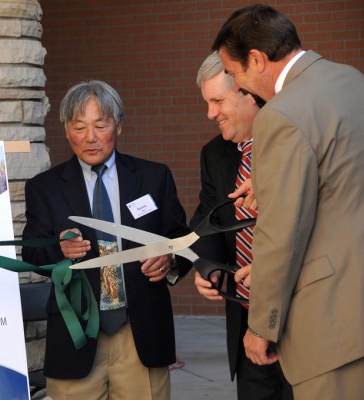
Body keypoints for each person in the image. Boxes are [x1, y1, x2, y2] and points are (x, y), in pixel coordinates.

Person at [212, 4, 364, 399]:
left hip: (332, 327)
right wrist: (267, 180)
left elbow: (282, 235)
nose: (239, 86)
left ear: (258, 59)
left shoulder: (280, 114)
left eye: (234, 74)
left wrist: (261, 326)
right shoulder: (351, 80)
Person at [22, 80, 192, 400]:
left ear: (118, 126)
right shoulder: (44, 187)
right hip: (77, 334)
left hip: (139, 330)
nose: (90, 137)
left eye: (100, 125)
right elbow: (33, 251)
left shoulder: (153, 178)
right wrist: (59, 249)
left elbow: (180, 236)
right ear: (66, 130)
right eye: (79, 127)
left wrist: (169, 259)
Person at [191, 51, 292, 399]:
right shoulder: (214, 153)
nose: (210, 114)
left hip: (301, 323)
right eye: (207, 102)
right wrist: (207, 266)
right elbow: (207, 219)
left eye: (218, 100)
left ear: (249, 93)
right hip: (246, 326)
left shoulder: (293, 145)